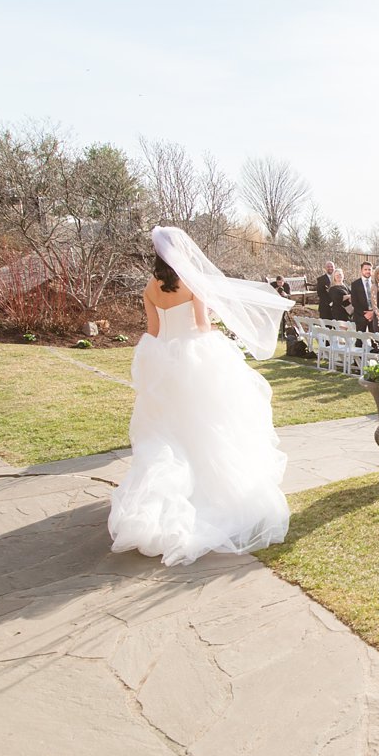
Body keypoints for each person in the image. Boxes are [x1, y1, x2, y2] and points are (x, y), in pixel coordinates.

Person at [108, 227, 291, 566]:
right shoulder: (193, 283)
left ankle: (158, 507)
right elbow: (202, 326)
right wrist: (218, 326)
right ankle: (209, 497)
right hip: (194, 360)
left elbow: (154, 331)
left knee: (168, 430)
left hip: (163, 361)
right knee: (208, 426)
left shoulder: (150, 287)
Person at [349, 261, 376, 332]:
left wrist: (373, 313)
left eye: (369, 269)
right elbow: (354, 302)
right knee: (359, 341)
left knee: (375, 341)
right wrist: (366, 314)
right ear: (361, 271)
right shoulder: (355, 284)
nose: (367, 271)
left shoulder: (376, 283)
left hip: (374, 316)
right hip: (361, 316)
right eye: (365, 269)